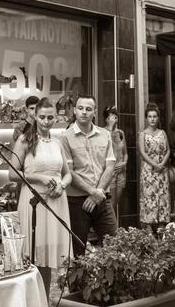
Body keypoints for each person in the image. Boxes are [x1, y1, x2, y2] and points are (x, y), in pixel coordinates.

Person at [9, 97, 71, 299]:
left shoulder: (58, 142)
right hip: (33, 201)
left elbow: (68, 174)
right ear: (35, 116)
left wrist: (61, 185)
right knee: (33, 254)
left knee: (48, 256)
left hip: (56, 201)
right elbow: (12, 173)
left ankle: (43, 299)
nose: (46, 121)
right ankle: (29, 300)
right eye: (42, 117)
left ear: (56, 117)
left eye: (50, 117)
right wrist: (40, 177)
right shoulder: (24, 140)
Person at [61, 95, 117, 258]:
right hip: (77, 202)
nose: (84, 112)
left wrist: (97, 194)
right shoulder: (65, 137)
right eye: (80, 108)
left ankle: (109, 277)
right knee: (77, 253)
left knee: (113, 248)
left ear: (95, 112)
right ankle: (79, 277)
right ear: (74, 110)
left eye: (88, 109)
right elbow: (68, 172)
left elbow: (110, 166)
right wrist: (92, 192)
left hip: (103, 199)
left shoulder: (105, 134)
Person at [139, 103, 170, 232]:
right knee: (149, 196)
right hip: (149, 170)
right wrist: (155, 164)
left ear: (158, 118)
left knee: (162, 195)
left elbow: (168, 150)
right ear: (146, 118)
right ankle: (148, 226)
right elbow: (142, 152)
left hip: (162, 169)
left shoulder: (162, 133)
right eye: (150, 116)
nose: (152, 119)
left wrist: (162, 164)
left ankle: (162, 226)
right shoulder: (142, 134)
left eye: (154, 116)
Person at [103, 106, 128, 218]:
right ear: (106, 119)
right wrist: (110, 128)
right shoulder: (103, 132)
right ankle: (111, 226)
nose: (114, 119)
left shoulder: (121, 133)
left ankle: (113, 225)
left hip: (121, 172)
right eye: (112, 117)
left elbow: (125, 153)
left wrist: (124, 163)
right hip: (110, 172)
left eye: (116, 117)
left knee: (116, 203)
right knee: (111, 203)